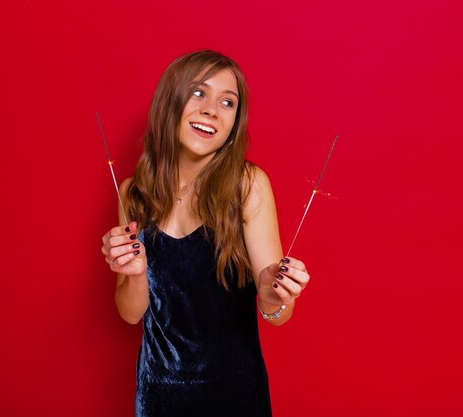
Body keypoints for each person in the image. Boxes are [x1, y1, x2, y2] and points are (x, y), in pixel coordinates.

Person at [100, 50, 310, 417]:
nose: (212, 109)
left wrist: (273, 295)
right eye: (199, 93)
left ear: (234, 124)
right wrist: (134, 275)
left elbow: (279, 312)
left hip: (235, 396)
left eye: (227, 102)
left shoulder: (247, 185)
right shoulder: (133, 193)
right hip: (157, 396)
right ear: (171, 100)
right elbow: (130, 314)